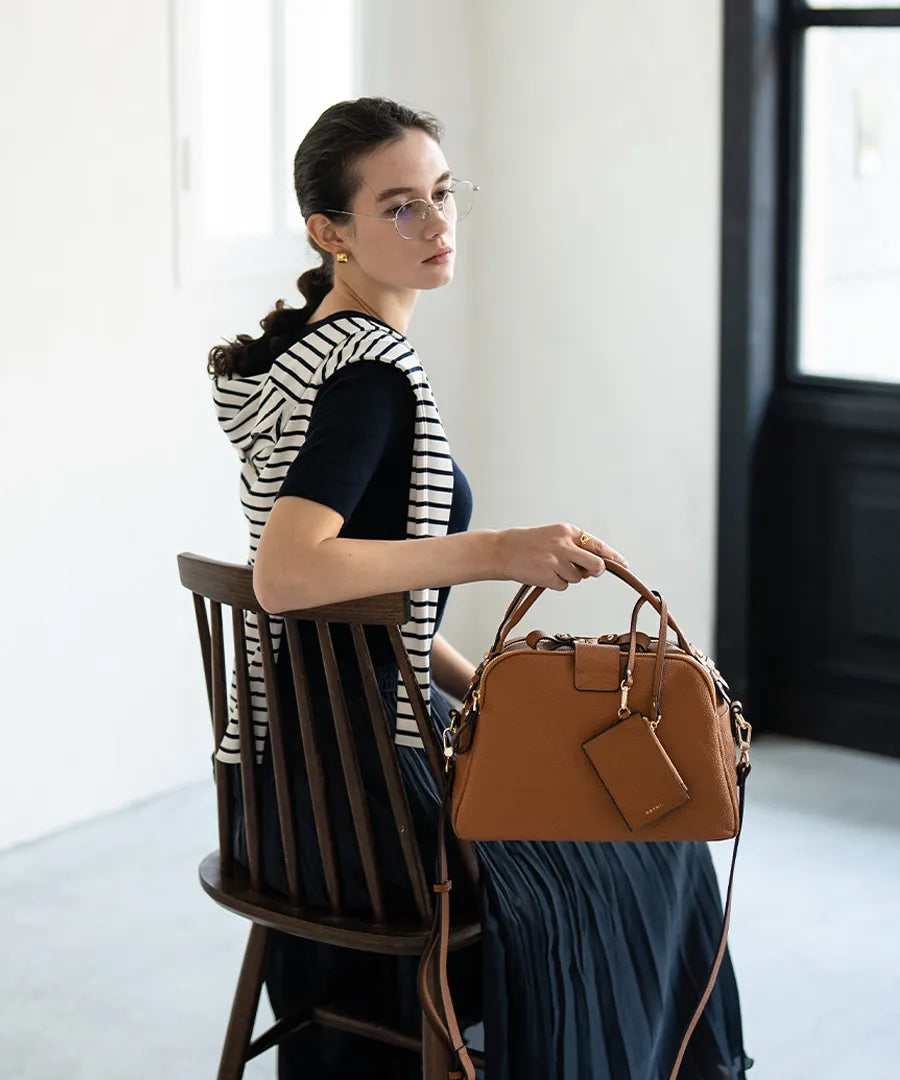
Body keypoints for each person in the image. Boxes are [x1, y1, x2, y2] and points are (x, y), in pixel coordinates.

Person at [207, 96, 754, 1080]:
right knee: (656, 839)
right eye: (401, 207)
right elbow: (290, 576)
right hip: (368, 803)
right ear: (330, 232)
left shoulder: (306, 354)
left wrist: (490, 692)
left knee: (620, 818)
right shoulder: (370, 375)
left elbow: (370, 616)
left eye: (444, 195)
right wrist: (497, 548)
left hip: (289, 791)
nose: (438, 223)